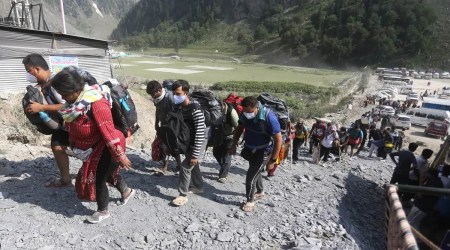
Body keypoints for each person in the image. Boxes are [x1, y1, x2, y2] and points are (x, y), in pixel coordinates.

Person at [51, 67, 134, 223]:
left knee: (98, 179)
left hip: (109, 146)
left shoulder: (96, 103)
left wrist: (120, 155)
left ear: (75, 90)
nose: (62, 97)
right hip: (94, 148)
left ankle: (103, 211)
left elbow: (109, 133)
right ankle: (126, 191)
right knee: (107, 174)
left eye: (64, 93)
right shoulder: (75, 106)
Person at [22, 54, 71, 187]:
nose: (28, 74)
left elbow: (67, 106)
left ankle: (103, 177)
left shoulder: (56, 83)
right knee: (56, 146)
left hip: (76, 123)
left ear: (37, 69)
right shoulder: (43, 84)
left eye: (28, 71)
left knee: (85, 150)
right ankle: (65, 179)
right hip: (64, 124)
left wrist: (41, 107)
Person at [230, 96, 282, 212]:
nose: (247, 114)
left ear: (257, 108)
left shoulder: (269, 117)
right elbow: (239, 128)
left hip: (264, 151)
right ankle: (260, 191)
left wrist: (272, 161)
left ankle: (250, 200)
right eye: (245, 111)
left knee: (250, 177)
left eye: (250, 112)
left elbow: (278, 140)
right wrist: (234, 144)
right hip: (250, 149)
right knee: (255, 170)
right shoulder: (245, 114)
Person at [170, 80, 208, 206]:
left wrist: (196, 153)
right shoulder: (181, 107)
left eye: (178, 93)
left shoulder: (195, 109)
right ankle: (198, 186)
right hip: (189, 140)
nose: (175, 96)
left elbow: (200, 133)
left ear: (186, 93)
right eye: (174, 93)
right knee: (192, 163)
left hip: (199, 139)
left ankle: (182, 194)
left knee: (186, 167)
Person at [146, 80, 182, 175]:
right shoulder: (157, 99)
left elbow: (180, 111)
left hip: (173, 127)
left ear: (159, 90)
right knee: (164, 147)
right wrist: (156, 123)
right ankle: (165, 167)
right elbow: (158, 110)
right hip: (164, 126)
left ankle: (180, 167)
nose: (152, 96)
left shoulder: (170, 97)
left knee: (173, 147)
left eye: (153, 94)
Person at [213, 100, 239, 183]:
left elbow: (238, 126)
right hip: (219, 136)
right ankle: (225, 167)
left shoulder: (231, 112)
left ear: (222, 106)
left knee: (226, 156)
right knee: (216, 152)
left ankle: (223, 176)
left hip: (230, 136)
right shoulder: (215, 110)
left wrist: (236, 140)